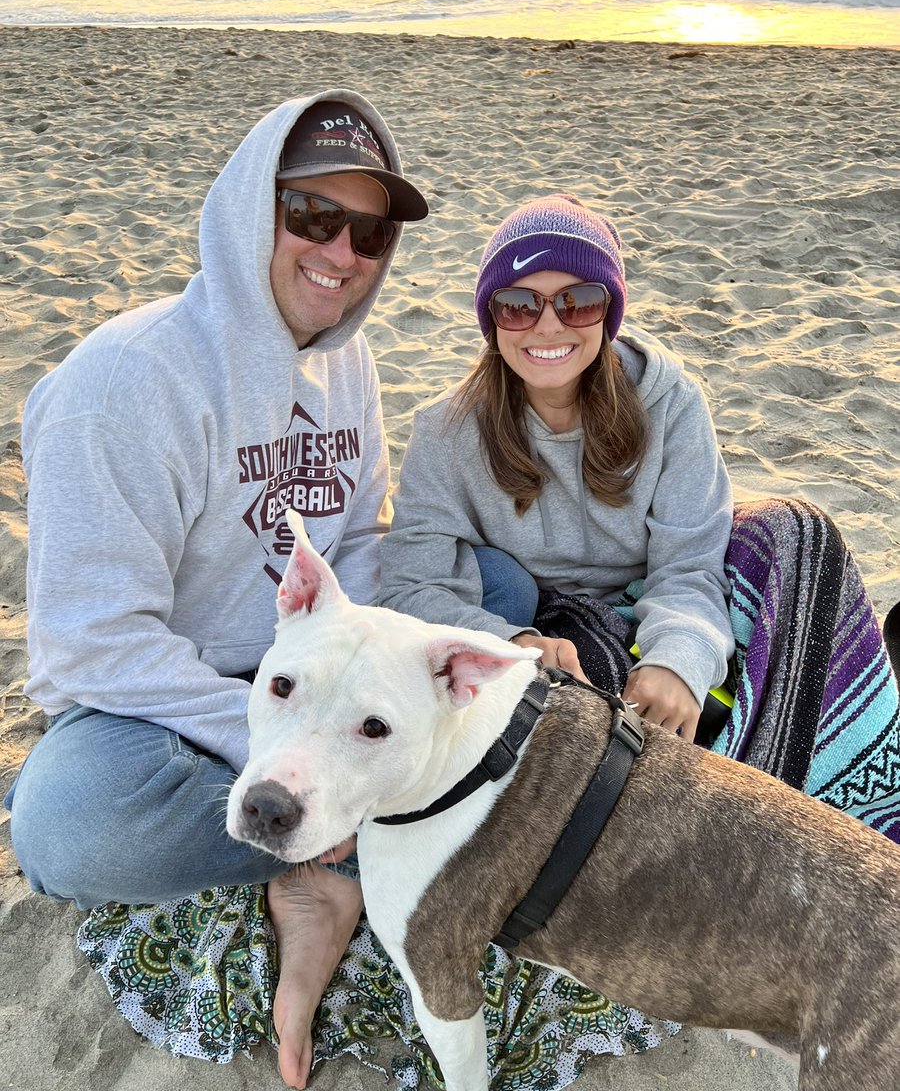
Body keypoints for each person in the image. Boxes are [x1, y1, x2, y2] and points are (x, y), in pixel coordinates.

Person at [6, 90, 428, 1090]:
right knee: (67, 825)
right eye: (312, 216)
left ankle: (333, 849)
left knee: (489, 586)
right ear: (254, 208)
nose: (342, 253)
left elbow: (359, 551)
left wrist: (360, 705)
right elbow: (93, 651)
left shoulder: (350, 359)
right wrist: (287, 753)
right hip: (158, 704)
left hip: (305, 676)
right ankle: (335, 855)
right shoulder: (124, 385)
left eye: (368, 230)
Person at [379, 193, 900, 838]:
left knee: (794, 532)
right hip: (546, 627)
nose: (548, 326)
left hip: (655, 602)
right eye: (519, 304)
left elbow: (689, 565)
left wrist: (677, 659)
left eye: (578, 300)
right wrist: (505, 644)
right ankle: (726, 810)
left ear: (610, 312)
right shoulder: (446, 432)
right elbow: (410, 583)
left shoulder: (669, 403)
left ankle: (817, 782)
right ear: (491, 319)